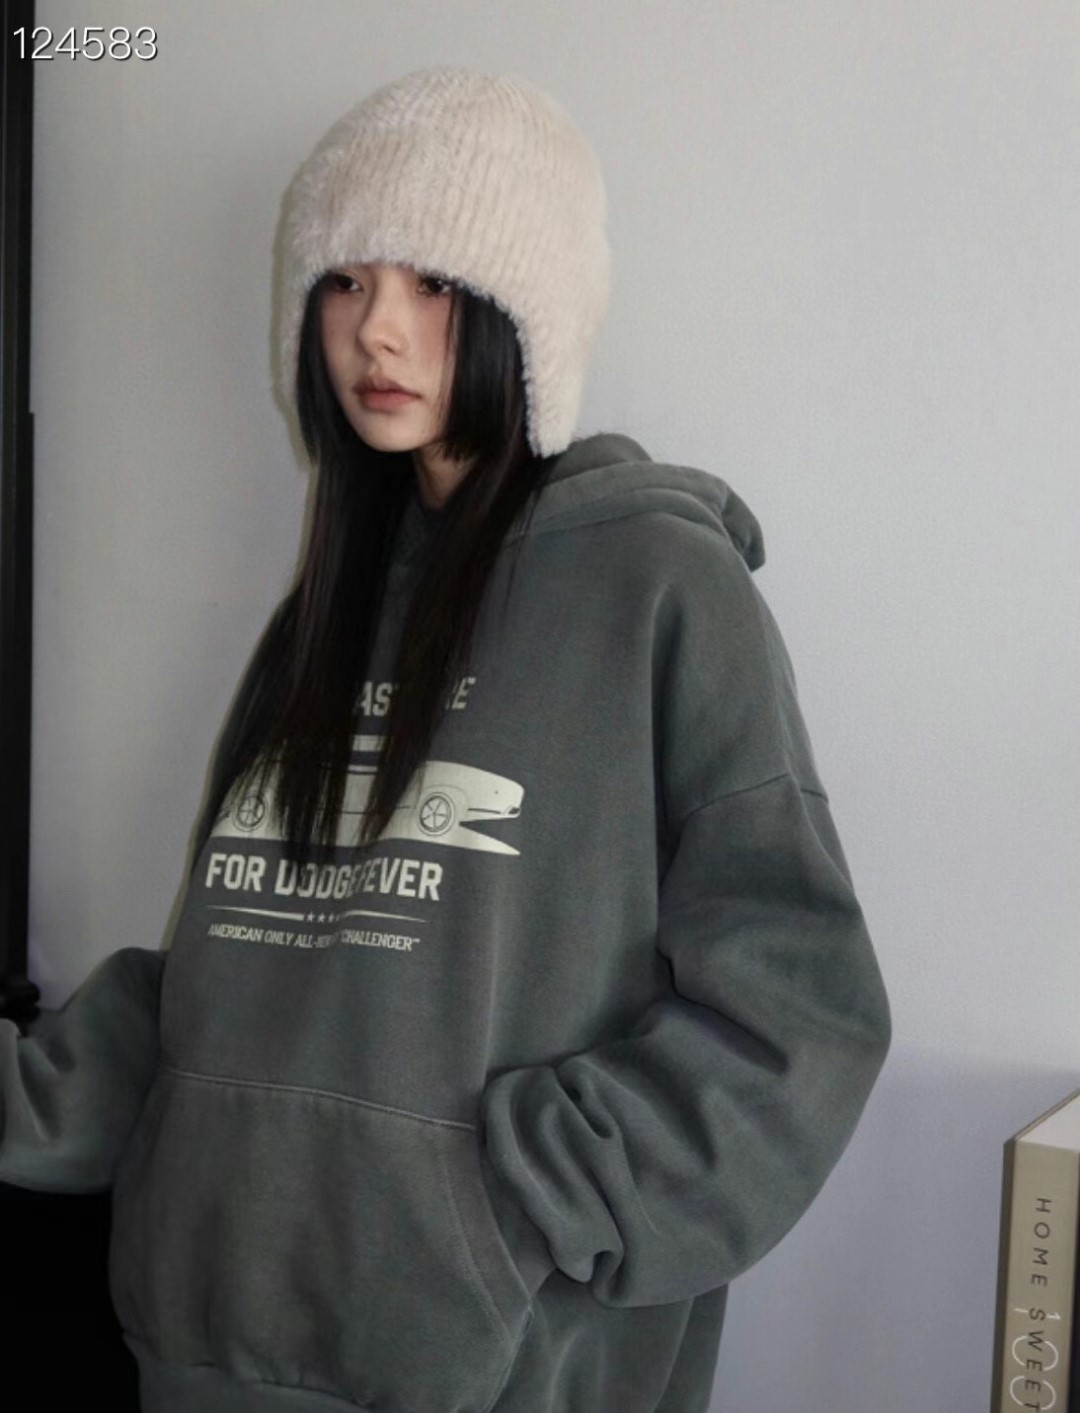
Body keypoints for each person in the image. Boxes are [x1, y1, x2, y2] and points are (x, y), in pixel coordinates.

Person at [0, 66, 891, 1412]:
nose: (379, 329)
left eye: (433, 281)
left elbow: (802, 1017)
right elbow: (238, 974)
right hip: (201, 1352)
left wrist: (519, 1203)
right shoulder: (322, 612)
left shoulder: (657, 587)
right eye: (344, 281)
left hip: (485, 1367)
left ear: (530, 314)